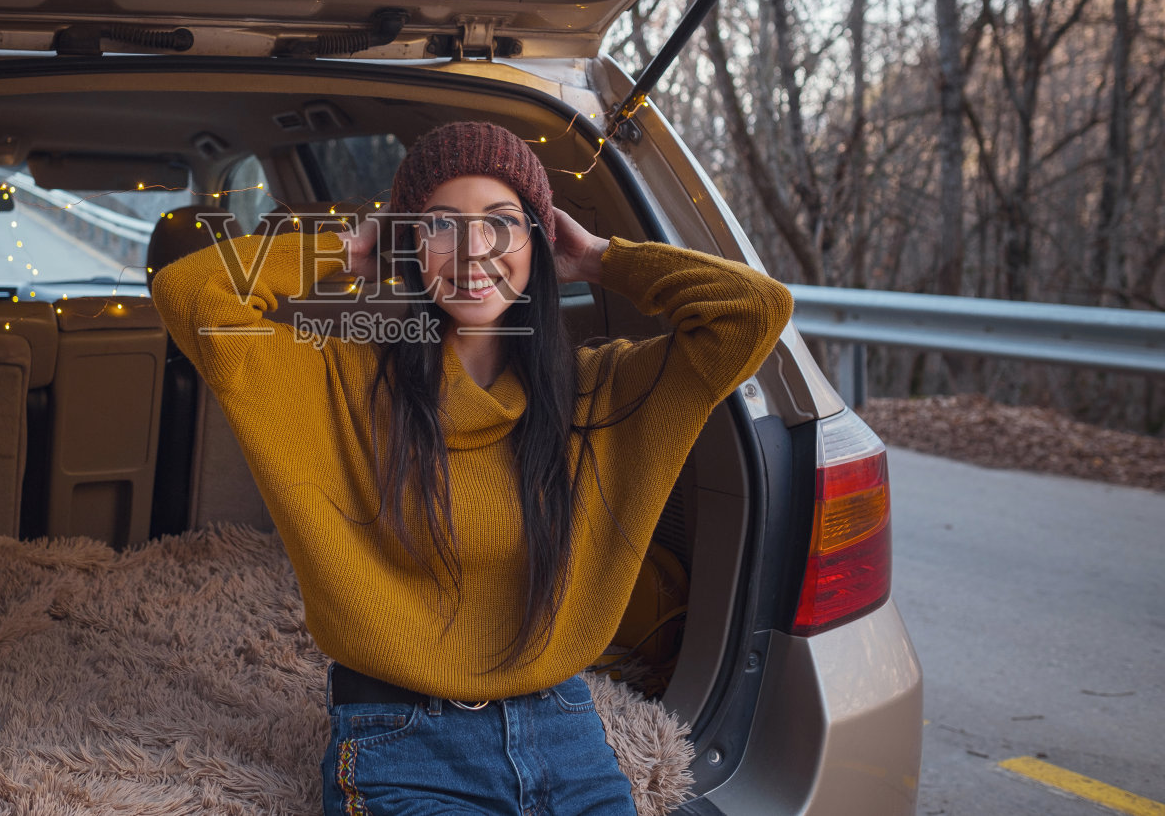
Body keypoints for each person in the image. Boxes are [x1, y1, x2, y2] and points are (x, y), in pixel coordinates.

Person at [151, 121, 794, 815]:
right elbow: (190, 291)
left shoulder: (599, 392)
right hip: (402, 739)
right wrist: (351, 248)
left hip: (566, 730)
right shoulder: (339, 381)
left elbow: (753, 311)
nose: (474, 248)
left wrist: (604, 259)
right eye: (440, 225)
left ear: (538, 242)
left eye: (502, 222)